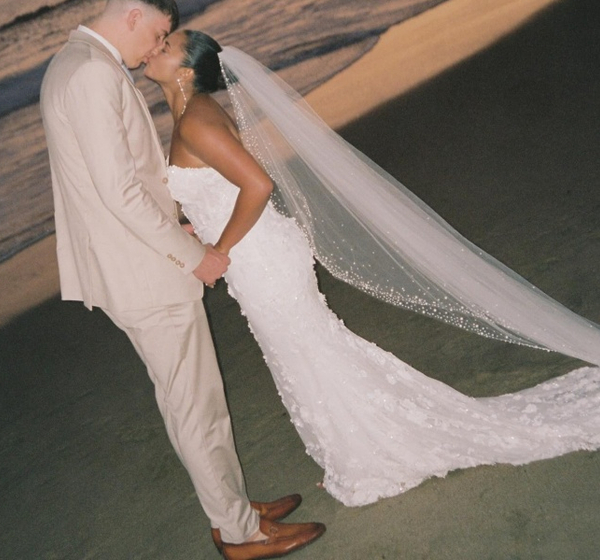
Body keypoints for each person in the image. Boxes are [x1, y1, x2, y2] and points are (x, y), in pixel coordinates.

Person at [144, 28, 600, 507]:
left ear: (186, 71)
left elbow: (257, 185)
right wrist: (201, 228)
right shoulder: (194, 114)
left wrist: (218, 249)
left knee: (305, 352)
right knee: (307, 351)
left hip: (260, 260)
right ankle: (353, 452)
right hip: (258, 254)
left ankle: (365, 457)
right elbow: (221, 189)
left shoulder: (195, 120)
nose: (155, 49)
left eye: (165, 46)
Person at [39, 0, 326, 560]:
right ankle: (240, 534)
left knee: (191, 401)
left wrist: (177, 224)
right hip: (143, 272)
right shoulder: (93, 73)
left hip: (131, 259)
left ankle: (233, 509)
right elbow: (120, 192)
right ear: (136, 17)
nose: (155, 49)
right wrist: (194, 255)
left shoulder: (70, 63)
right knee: (196, 406)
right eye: (159, 34)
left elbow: (114, 186)